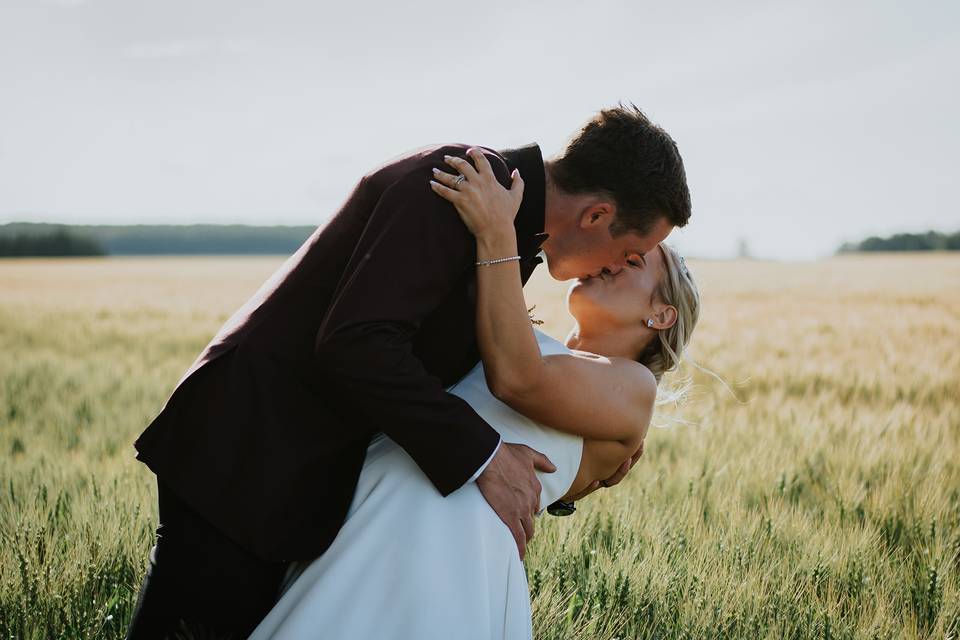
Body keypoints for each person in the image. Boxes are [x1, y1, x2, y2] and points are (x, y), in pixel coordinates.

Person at [125, 103, 691, 638]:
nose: (617, 265)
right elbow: (356, 342)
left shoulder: (501, 226)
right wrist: (486, 456)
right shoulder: (465, 184)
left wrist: (578, 465)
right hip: (251, 453)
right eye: (633, 250)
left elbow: (446, 377)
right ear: (598, 215)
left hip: (311, 489)